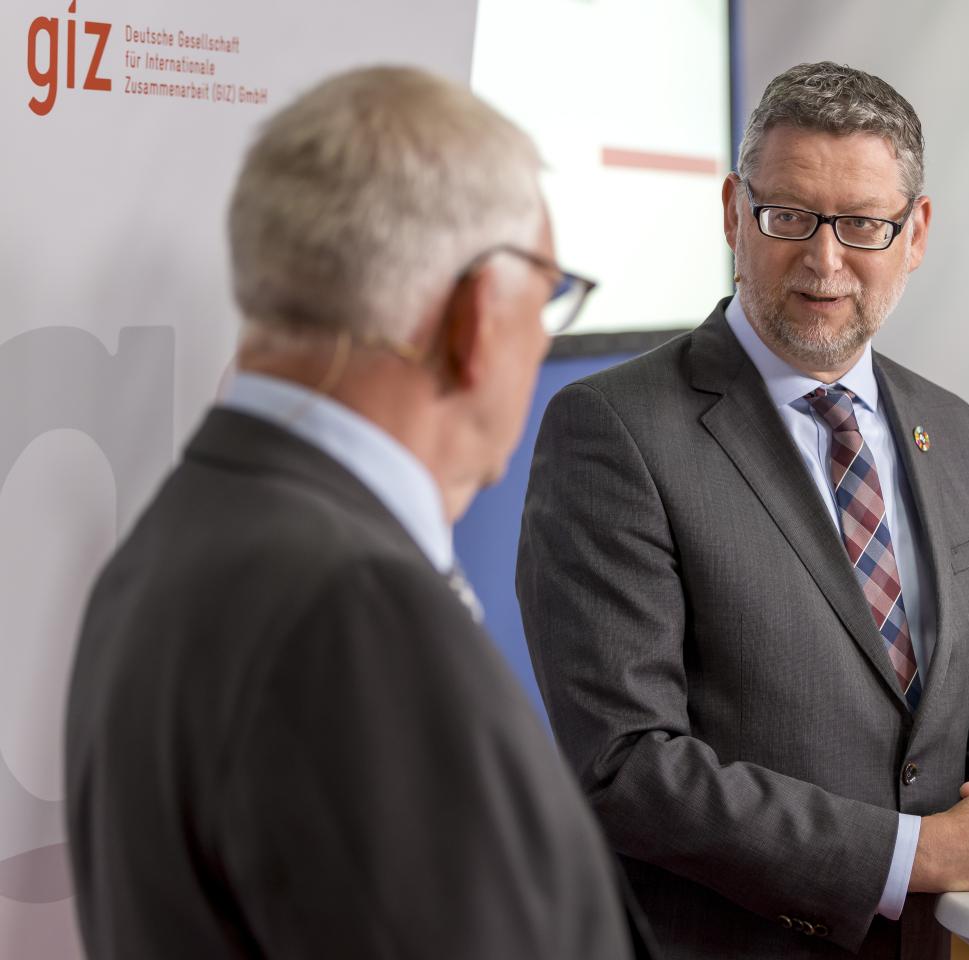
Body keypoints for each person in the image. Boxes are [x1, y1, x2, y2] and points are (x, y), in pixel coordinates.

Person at [64, 66, 651, 958]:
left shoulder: (180, 535)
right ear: (479, 317)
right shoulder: (353, 607)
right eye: (549, 297)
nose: (544, 338)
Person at [517, 61, 969, 959]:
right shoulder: (613, 430)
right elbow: (623, 766)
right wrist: (910, 854)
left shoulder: (951, 428)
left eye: (862, 224)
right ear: (735, 212)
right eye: (789, 218)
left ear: (916, 231)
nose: (825, 260)